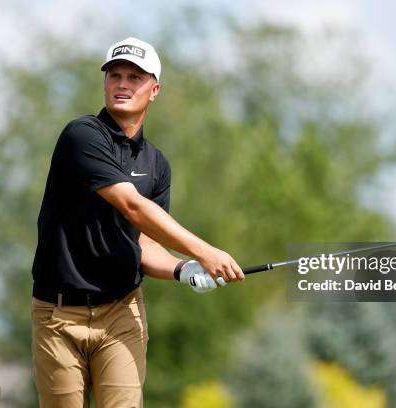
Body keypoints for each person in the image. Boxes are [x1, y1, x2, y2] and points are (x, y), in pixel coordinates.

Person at [30, 36, 244, 408]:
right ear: (105, 83)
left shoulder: (156, 165)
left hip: (121, 313)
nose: (123, 84)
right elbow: (132, 205)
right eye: (115, 76)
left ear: (154, 89)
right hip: (58, 317)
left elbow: (144, 245)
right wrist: (204, 251)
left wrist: (183, 268)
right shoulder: (81, 136)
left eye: (135, 77)